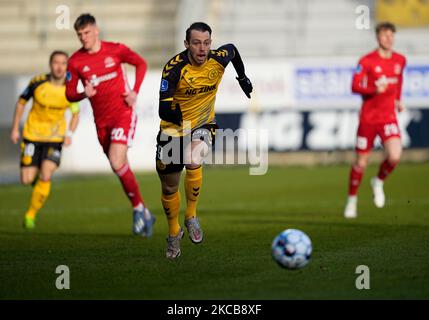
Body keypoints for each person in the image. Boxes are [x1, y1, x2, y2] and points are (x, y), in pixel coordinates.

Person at [157, 22, 253, 258]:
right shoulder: (174, 69)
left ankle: (191, 216)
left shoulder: (218, 58)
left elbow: (232, 49)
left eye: (207, 43)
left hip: (203, 124)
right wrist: (176, 115)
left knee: (192, 158)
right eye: (197, 43)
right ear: (187, 44)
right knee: (169, 187)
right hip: (173, 130)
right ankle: (173, 233)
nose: (202, 48)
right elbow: (162, 109)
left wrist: (242, 77)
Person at [65, 13, 155, 236]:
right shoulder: (75, 61)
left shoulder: (115, 50)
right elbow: (68, 93)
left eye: (86, 33)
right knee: (120, 166)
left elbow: (140, 64)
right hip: (101, 121)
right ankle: (143, 211)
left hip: (123, 113)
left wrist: (135, 91)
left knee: (116, 160)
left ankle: (136, 210)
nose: (83, 38)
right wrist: (82, 94)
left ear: (96, 30)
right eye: (79, 35)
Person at [10, 50, 80, 229]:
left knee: (47, 173)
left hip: (55, 138)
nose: (59, 67)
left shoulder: (69, 88)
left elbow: (75, 113)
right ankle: (35, 181)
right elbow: (21, 102)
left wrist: (69, 134)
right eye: (56, 63)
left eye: (63, 63)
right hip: (32, 136)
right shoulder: (37, 82)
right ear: (50, 65)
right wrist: (15, 128)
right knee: (26, 179)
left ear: (67, 66)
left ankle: (30, 215)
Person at [344, 22, 406, 218]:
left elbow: (399, 81)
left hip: (388, 117)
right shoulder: (367, 61)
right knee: (361, 162)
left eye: (391, 35)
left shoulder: (400, 60)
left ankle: (378, 181)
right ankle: (352, 201)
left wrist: (397, 99)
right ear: (378, 37)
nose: (388, 39)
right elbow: (354, 86)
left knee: (395, 155)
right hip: (369, 118)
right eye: (384, 35)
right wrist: (373, 90)